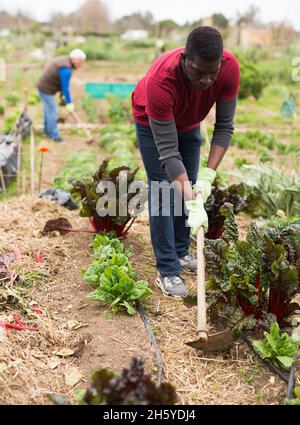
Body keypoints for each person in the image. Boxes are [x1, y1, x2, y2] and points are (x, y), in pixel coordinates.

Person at [131, 26, 240, 299]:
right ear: (184, 59)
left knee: (188, 185)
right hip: (151, 123)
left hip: (190, 122)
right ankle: (167, 270)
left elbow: (224, 126)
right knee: (164, 191)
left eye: (211, 73)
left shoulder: (228, 68)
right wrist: (191, 198)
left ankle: (180, 252)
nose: (206, 80)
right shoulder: (161, 79)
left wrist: (208, 176)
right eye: (199, 72)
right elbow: (168, 152)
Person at [37, 49, 87, 142]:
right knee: (52, 111)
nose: (81, 64)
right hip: (46, 88)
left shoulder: (65, 61)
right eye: (80, 62)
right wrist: (69, 103)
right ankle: (54, 136)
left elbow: (60, 83)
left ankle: (47, 131)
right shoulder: (66, 68)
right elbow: (65, 87)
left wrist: (63, 96)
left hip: (44, 86)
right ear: (75, 59)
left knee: (49, 110)